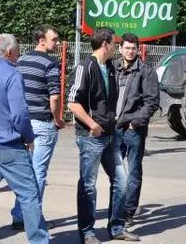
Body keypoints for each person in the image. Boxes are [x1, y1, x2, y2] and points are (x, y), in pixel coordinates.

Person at [0, 34, 50, 244]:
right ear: (10, 51)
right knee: (29, 194)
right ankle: (39, 241)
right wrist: (28, 137)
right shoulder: (12, 75)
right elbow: (20, 114)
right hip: (9, 146)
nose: (19, 53)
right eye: (18, 49)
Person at [67, 27, 139, 243]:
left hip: (111, 134)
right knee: (88, 186)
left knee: (122, 181)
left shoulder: (109, 67)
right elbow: (72, 102)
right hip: (91, 136)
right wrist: (92, 124)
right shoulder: (84, 67)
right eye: (115, 43)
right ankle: (87, 233)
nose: (117, 47)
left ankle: (116, 228)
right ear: (105, 44)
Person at [10, 25, 65, 231]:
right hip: (42, 122)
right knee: (38, 172)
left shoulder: (21, 60)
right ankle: (32, 219)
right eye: (54, 39)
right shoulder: (51, 63)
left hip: (22, 122)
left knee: (25, 172)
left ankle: (19, 214)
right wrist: (58, 119)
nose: (57, 43)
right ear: (42, 40)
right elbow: (55, 96)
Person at [113, 33, 159, 228]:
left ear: (137, 49)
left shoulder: (146, 71)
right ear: (120, 48)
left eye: (133, 48)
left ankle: (129, 212)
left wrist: (136, 122)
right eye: (127, 47)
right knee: (115, 173)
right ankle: (115, 209)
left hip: (134, 130)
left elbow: (152, 102)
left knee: (133, 172)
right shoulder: (112, 68)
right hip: (114, 128)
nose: (130, 51)